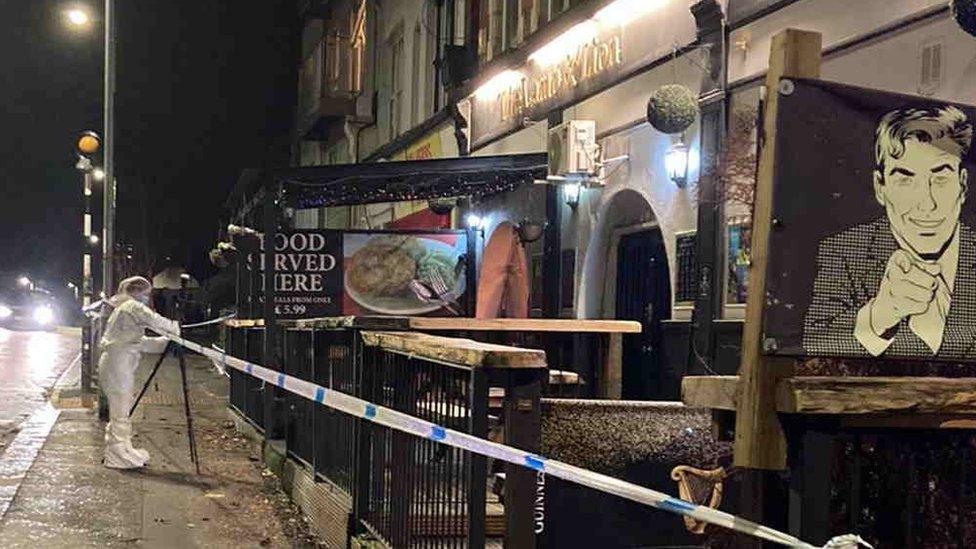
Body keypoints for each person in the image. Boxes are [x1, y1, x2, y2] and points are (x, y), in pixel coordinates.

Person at [803, 105, 976, 359]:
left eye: (940, 177)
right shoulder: (845, 253)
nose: (926, 203)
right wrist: (879, 315)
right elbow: (812, 344)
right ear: (880, 187)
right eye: (904, 178)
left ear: (962, 185)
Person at [98, 276, 180, 469]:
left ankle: (123, 448)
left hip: (116, 365)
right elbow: (155, 320)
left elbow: (137, 342)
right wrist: (175, 328)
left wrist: (163, 343)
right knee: (120, 411)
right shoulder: (132, 307)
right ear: (135, 292)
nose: (146, 298)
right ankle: (117, 456)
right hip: (118, 367)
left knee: (122, 410)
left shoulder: (122, 310)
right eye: (145, 294)